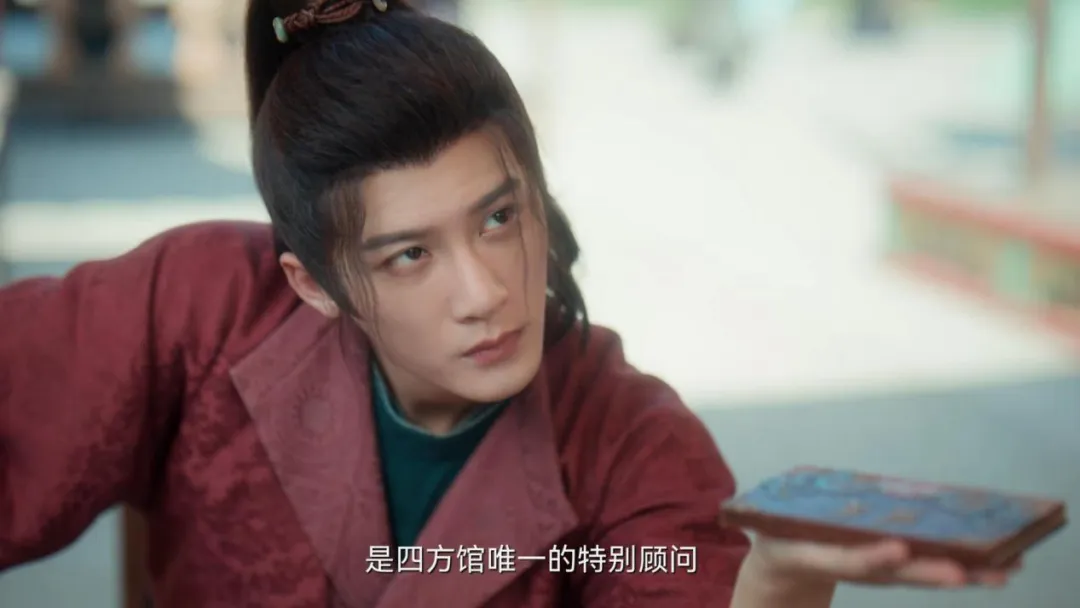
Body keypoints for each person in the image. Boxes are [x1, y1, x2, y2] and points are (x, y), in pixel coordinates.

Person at [0, 0, 1017, 606]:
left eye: (498, 217)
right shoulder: (199, 305)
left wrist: (778, 583)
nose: (486, 292)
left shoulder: (626, 438)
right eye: (409, 255)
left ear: (535, 191)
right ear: (314, 283)